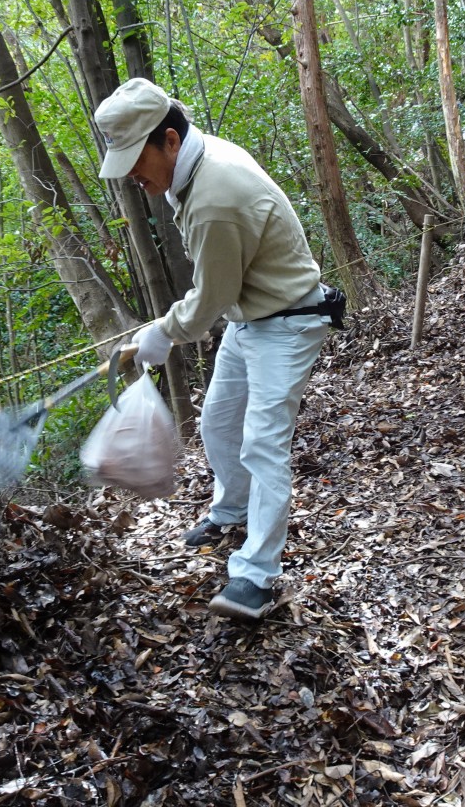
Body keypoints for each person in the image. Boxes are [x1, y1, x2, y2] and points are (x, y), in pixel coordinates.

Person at [94, 77, 333, 621]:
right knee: (217, 423)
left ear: (170, 141)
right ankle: (231, 510)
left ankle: (257, 575)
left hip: (288, 323)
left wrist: (161, 332)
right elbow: (220, 295)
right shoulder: (196, 166)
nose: (133, 174)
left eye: (137, 159)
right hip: (249, 319)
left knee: (262, 443)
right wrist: (166, 331)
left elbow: (212, 297)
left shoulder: (214, 195)